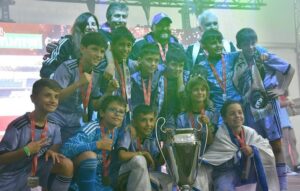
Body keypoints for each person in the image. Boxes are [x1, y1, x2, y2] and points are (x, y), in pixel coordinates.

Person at [233, 27, 295, 191]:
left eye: (253, 43)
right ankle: (263, 186)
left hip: (268, 107)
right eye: (247, 44)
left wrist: (282, 89)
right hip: (249, 109)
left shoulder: (263, 54)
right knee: (256, 149)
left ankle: (283, 187)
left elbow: (289, 69)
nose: (251, 47)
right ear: (240, 45)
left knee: (276, 146)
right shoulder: (237, 60)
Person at [0, 79, 73, 191]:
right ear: (33, 98)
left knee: (66, 164)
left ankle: (37, 186)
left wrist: (51, 151)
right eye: (48, 95)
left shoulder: (55, 126)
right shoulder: (18, 126)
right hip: (12, 175)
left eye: (56, 96)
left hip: (35, 170)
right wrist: (26, 150)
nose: (53, 100)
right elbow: (1, 158)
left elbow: (55, 147)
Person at [202, 100, 279, 191]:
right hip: (225, 173)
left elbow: (266, 148)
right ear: (224, 118)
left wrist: (253, 150)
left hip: (249, 172)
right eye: (232, 113)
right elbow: (212, 158)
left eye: (240, 112)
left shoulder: (250, 132)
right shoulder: (219, 135)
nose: (237, 116)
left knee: (261, 173)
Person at [49, 32, 107, 142]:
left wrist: (109, 91)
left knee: (84, 154)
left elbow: (94, 106)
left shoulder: (96, 74)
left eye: (102, 51)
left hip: (75, 122)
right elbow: (54, 99)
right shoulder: (67, 67)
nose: (99, 55)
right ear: (82, 49)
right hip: (55, 118)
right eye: (94, 49)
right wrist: (78, 83)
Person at [60, 95, 126, 191]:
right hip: (78, 183)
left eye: (121, 112)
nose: (117, 114)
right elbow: (66, 149)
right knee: (90, 156)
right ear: (102, 113)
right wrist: (96, 144)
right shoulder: (92, 128)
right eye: (112, 110)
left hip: (99, 182)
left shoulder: (115, 131)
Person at [110, 104, 173, 191]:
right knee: (139, 160)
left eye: (151, 120)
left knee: (168, 181)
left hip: (142, 175)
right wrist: (143, 153)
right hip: (122, 175)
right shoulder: (128, 131)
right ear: (134, 122)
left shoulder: (152, 137)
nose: (148, 124)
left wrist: (167, 144)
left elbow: (158, 162)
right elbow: (122, 155)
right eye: (143, 120)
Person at [193, 29, 241, 125]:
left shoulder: (232, 57)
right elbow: (200, 88)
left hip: (237, 106)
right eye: (213, 43)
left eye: (220, 42)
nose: (218, 45)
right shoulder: (202, 66)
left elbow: (251, 51)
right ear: (204, 46)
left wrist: (264, 55)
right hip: (218, 111)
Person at [92, 26, 135, 126]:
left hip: (123, 116)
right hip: (105, 117)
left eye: (129, 45)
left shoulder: (129, 65)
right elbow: (95, 101)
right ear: (112, 45)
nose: (125, 49)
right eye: (121, 45)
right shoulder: (103, 66)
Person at [40, 12, 100, 78]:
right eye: (87, 24)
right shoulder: (67, 43)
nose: (91, 27)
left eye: (93, 24)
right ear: (80, 26)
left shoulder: (101, 47)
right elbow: (47, 69)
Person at [185, 10, 236, 83]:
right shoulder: (192, 50)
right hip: (202, 93)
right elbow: (187, 76)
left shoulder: (228, 45)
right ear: (200, 28)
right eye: (208, 24)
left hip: (227, 91)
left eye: (215, 23)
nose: (212, 27)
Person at [130, 43, 162, 110]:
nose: (153, 64)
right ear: (139, 60)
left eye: (156, 61)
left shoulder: (159, 71)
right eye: (149, 60)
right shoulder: (132, 77)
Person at [279, 94, 300, 173]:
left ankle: (296, 164)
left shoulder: (282, 95)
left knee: (293, 141)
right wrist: (288, 102)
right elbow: (279, 104)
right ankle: (288, 167)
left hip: (287, 122)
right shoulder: (273, 93)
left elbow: (288, 103)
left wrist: (292, 107)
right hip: (281, 123)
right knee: (285, 145)